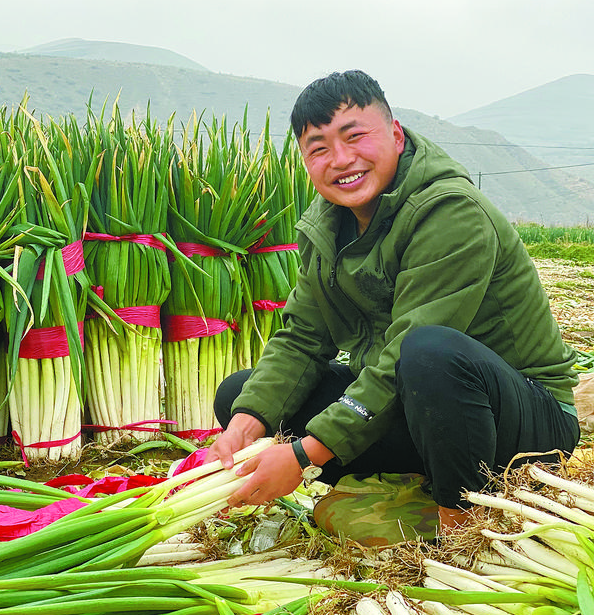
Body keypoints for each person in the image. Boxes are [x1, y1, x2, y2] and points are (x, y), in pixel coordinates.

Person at [207, 69, 580, 532]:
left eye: (355, 137)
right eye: (319, 148)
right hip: (419, 406)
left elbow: (408, 352)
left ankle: (461, 523)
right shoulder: (327, 227)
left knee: (428, 352)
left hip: (519, 419)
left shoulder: (450, 212)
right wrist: (245, 424)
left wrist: (304, 455)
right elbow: (302, 336)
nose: (341, 160)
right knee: (243, 398)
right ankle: (426, 478)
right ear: (305, 161)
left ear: (396, 135)